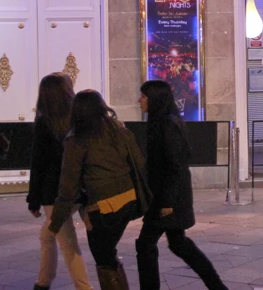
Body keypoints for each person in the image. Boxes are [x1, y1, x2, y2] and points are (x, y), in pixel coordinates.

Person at [50, 90, 149, 290]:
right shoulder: (120, 131)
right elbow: (139, 163)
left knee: (104, 259)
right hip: (128, 200)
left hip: (103, 207)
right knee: (108, 254)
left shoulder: (77, 139)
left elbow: (68, 184)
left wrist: (56, 221)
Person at [134, 80, 227, 290]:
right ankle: (217, 286)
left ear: (155, 99)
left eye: (144, 96)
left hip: (167, 199)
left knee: (146, 244)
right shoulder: (162, 122)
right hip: (167, 196)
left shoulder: (166, 125)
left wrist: (167, 202)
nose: (139, 100)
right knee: (178, 244)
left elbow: (175, 165)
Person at [26, 73, 93, 290]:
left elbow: (39, 165)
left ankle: (84, 287)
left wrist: (33, 200)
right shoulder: (78, 119)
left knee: (67, 243)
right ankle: (43, 281)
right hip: (76, 189)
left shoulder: (45, 123)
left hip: (54, 193)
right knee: (46, 234)